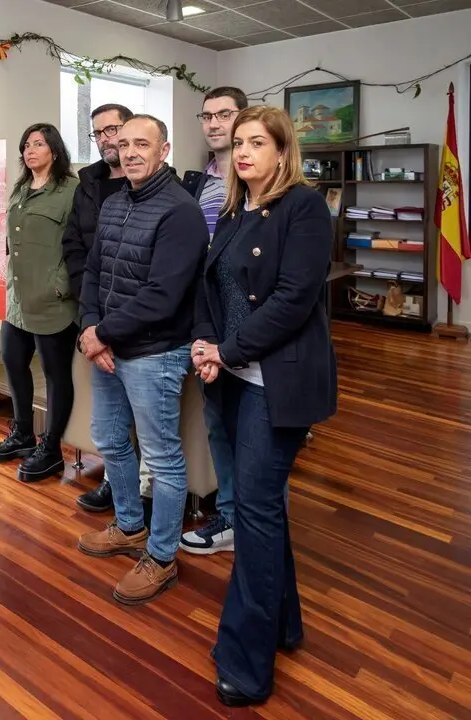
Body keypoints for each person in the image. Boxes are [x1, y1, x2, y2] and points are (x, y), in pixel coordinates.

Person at [191, 105, 336, 707]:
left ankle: (246, 664)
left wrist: (224, 351)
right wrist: (206, 347)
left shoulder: (303, 207)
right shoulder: (231, 211)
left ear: (282, 151)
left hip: (273, 383)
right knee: (262, 509)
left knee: (253, 513)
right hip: (228, 376)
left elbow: (293, 300)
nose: (243, 151)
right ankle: (284, 624)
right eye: (239, 143)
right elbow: (209, 287)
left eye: (258, 142)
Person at [74, 114, 209, 605]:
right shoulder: (113, 203)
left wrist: (99, 334)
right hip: (109, 347)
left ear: (164, 150)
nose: (129, 152)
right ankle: (129, 525)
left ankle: (161, 555)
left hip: (154, 352)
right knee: (110, 438)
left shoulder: (181, 212)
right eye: (123, 143)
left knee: (163, 458)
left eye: (141, 144)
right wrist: (91, 327)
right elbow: (93, 270)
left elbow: (163, 295)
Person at [0, 123, 79, 481]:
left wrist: (60, 287)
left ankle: (51, 448)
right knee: (12, 361)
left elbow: (80, 245)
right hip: (17, 299)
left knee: (55, 376)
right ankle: (23, 433)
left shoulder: (72, 190)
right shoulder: (21, 188)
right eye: (26, 144)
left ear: (54, 150)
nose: (30, 150)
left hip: (52, 301)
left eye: (38, 143)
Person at [177, 86, 248, 555]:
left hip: (243, 317)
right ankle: (230, 514)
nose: (215, 123)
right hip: (204, 315)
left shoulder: (256, 180)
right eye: (207, 116)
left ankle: (251, 518)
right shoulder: (199, 182)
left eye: (225, 114)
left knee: (250, 426)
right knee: (219, 421)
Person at [61, 103, 134, 510]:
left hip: (138, 318)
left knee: (142, 411)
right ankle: (114, 481)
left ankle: (139, 488)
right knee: (108, 415)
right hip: (92, 313)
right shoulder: (87, 183)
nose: (107, 138)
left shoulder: (158, 182)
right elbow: (73, 245)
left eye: (114, 129)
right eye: (99, 133)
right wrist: (88, 312)